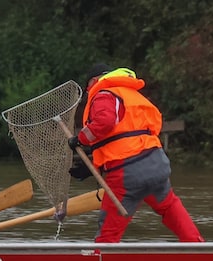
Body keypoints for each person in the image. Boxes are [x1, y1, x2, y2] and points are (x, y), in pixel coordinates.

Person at [68, 64, 204, 243]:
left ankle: (102, 259)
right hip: (156, 163)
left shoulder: (104, 93)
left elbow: (105, 122)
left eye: (87, 87)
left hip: (128, 173)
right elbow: (126, 136)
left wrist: (80, 139)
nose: (87, 91)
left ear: (94, 81)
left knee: (109, 227)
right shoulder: (131, 94)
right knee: (169, 207)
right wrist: (93, 164)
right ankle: (197, 246)